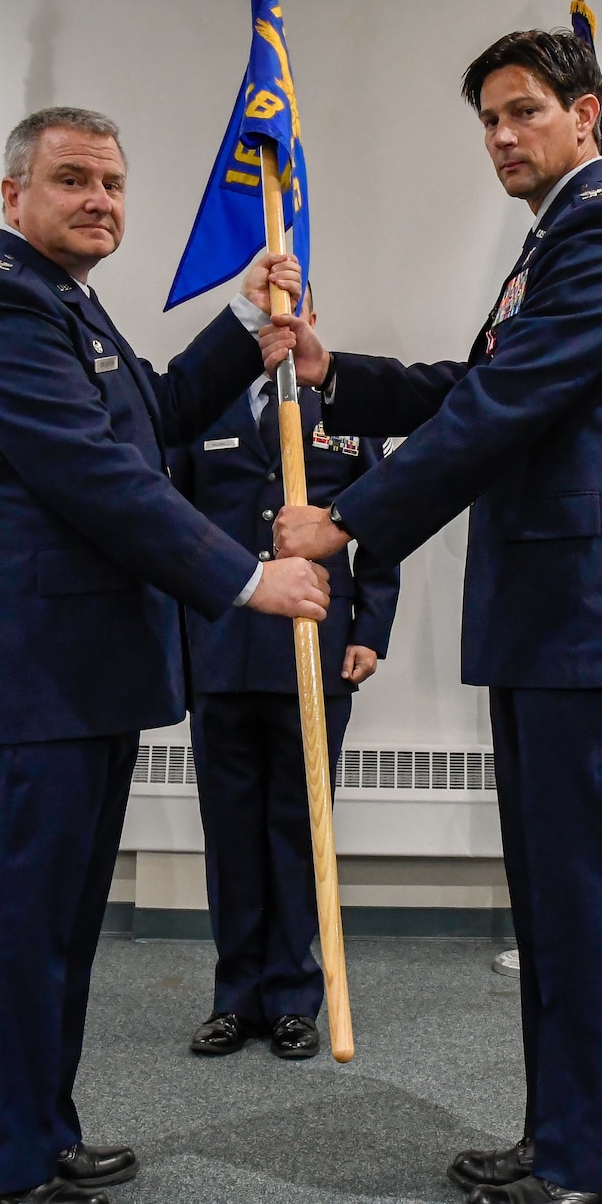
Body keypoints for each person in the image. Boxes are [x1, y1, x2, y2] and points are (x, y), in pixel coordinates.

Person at [266, 30, 602, 1204]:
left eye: (522, 112)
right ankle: (561, 1129)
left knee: (592, 896)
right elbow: (474, 384)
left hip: (594, 615)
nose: (503, 137)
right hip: (550, 615)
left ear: (584, 113)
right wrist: (333, 371)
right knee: (554, 895)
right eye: (488, 121)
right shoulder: (555, 237)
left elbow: (503, 409)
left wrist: (346, 522)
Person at [0, 106, 330, 1204]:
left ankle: (40, 1127)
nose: (98, 198)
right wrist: (247, 580)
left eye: (110, 180)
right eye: (70, 180)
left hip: (80, 683)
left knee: (54, 933)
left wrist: (246, 318)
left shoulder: (66, 303)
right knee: (11, 936)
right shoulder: (2, 305)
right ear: (13, 197)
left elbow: (147, 410)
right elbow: (104, 478)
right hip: (22, 688)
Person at [169, 294, 399, 1062]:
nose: (279, 321)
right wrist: (178, 643)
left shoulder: (338, 401)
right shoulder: (202, 402)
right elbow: (172, 524)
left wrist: (372, 630)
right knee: (231, 829)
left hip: (315, 645)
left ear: (305, 313)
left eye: (289, 308)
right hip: (224, 650)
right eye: (265, 311)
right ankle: (235, 994)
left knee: (301, 826)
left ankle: (295, 995)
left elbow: (382, 522)